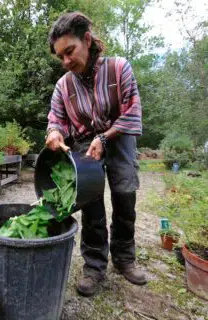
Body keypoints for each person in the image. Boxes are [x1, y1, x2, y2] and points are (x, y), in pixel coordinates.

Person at [45, 12, 146, 297]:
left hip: (118, 135)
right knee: (89, 199)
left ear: (87, 40)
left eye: (70, 51)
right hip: (83, 142)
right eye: (60, 56)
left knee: (125, 192)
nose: (66, 61)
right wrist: (54, 133)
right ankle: (94, 266)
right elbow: (56, 117)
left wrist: (104, 137)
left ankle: (124, 258)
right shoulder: (63, 85)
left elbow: (132, 112)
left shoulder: (119, 68)